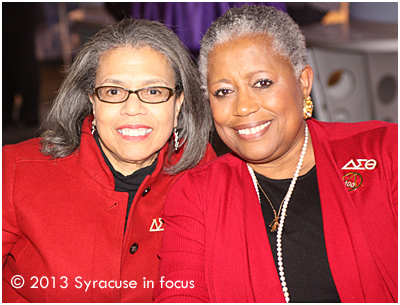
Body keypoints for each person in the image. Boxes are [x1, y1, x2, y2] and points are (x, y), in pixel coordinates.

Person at [154, 5, 397, 303]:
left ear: (303, 82)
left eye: (262, 83)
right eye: (223, 91)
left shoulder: (385, 153)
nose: (243, 107)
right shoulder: (196, 195)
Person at [2, 18, 216, 302]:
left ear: (178, 103)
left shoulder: (204, 173)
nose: (132, 109)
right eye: (114, 92)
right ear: (92, 98)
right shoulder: (16, 169)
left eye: (153, 91)